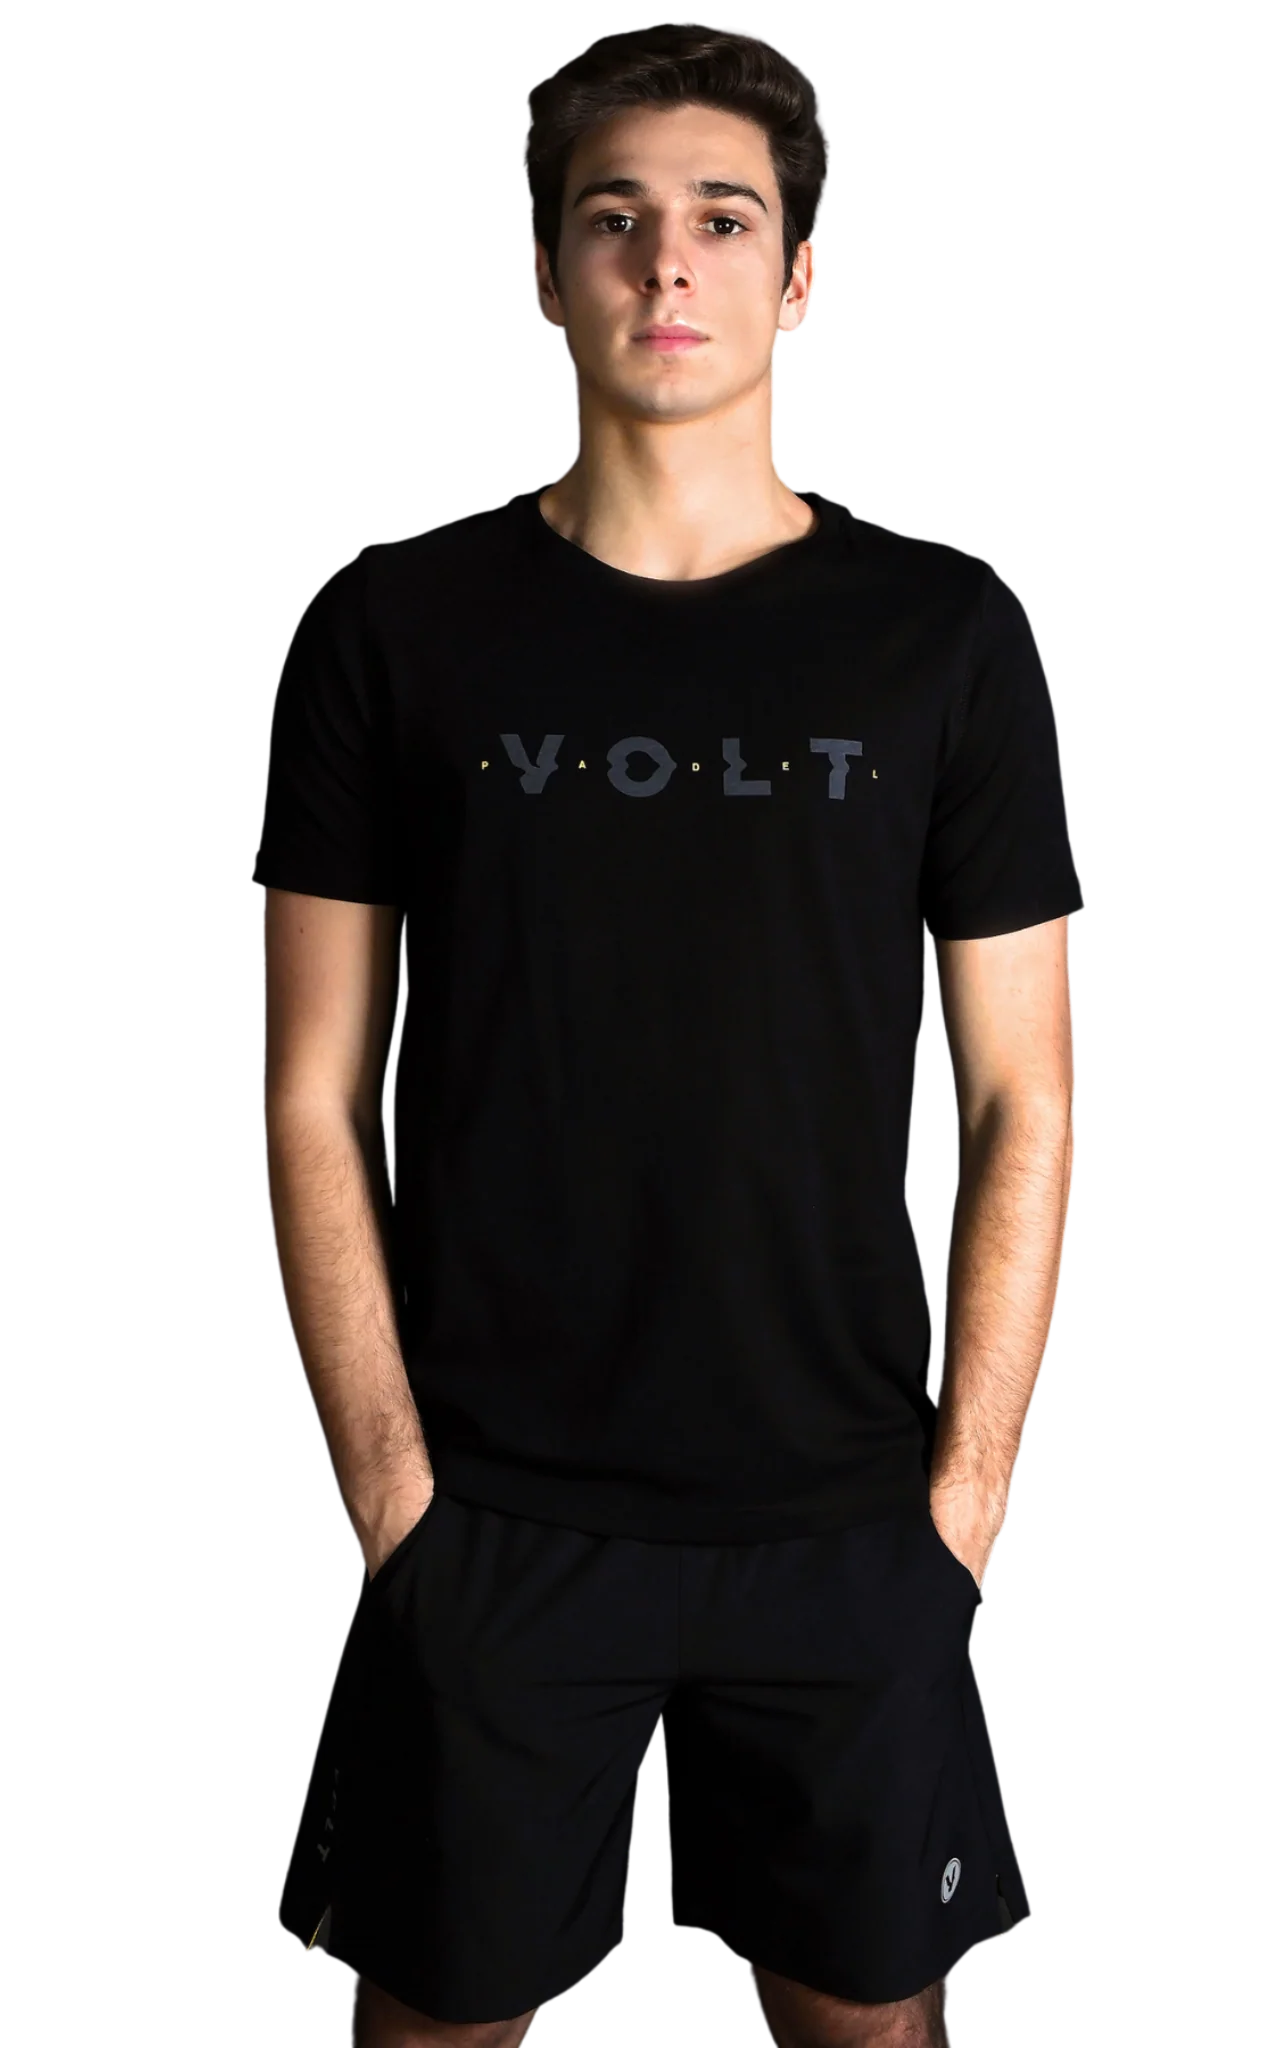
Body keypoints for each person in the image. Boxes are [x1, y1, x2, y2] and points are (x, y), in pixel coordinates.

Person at [261, 22, 1079, 2047]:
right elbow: (307, 1090)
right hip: (495, 1514)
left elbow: (1024, 1092)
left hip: (846, 1519)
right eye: (612, 220)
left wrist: (962, 1507)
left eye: (722, 218)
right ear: (543, 278)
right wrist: (392, 1502)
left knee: (871, 2029)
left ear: (799, 281)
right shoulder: (398, 622)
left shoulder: (941, 628)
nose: (664, 261)